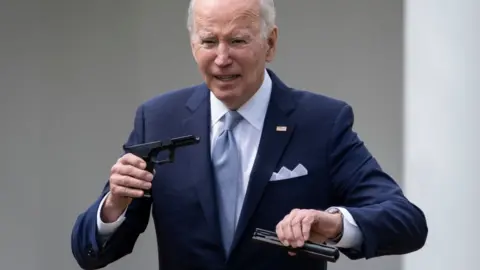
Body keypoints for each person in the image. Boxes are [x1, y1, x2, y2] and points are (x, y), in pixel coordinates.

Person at [70, 0, 428, 269]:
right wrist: (114, 205)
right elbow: (90, 252)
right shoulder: (159, 118)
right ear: (193, 44)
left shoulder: (321, 122)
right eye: (209, 41)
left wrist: (334, 224)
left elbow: (406, 221)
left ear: (270, 44)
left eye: (238, 41)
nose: (222, 58)